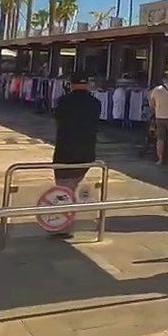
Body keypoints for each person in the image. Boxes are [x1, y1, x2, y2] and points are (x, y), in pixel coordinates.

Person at [52, 71, 100, 238]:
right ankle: (64, 223)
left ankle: (63, 226)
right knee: (72, 187)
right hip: (86, 151)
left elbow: (58, 120)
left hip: (65, 150)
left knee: (64, 189)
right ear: (87, 84)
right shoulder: (96, 103)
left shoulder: (63, 101)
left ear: (70, 84)